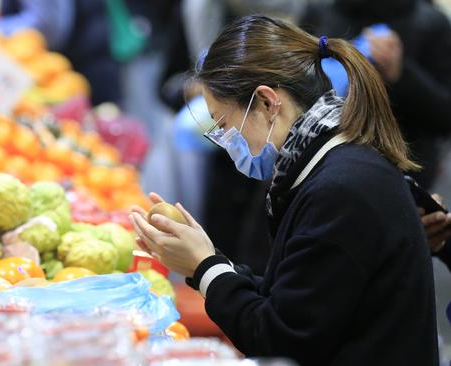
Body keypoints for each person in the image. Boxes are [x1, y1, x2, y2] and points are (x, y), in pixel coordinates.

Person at [130, 16, 438, 365]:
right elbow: (295, 293)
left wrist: (204, 267)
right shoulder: (327, 164)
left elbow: (281, 338)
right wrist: (206, 257)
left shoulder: (339, 189)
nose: (225, 141)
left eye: (223, 124)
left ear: (265, 102)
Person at [300, 0, 451, 189]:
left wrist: (400, 74)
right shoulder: (320, 11)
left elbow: (444, 116)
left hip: (393, 178)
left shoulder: (430, 23)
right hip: (312, 167)